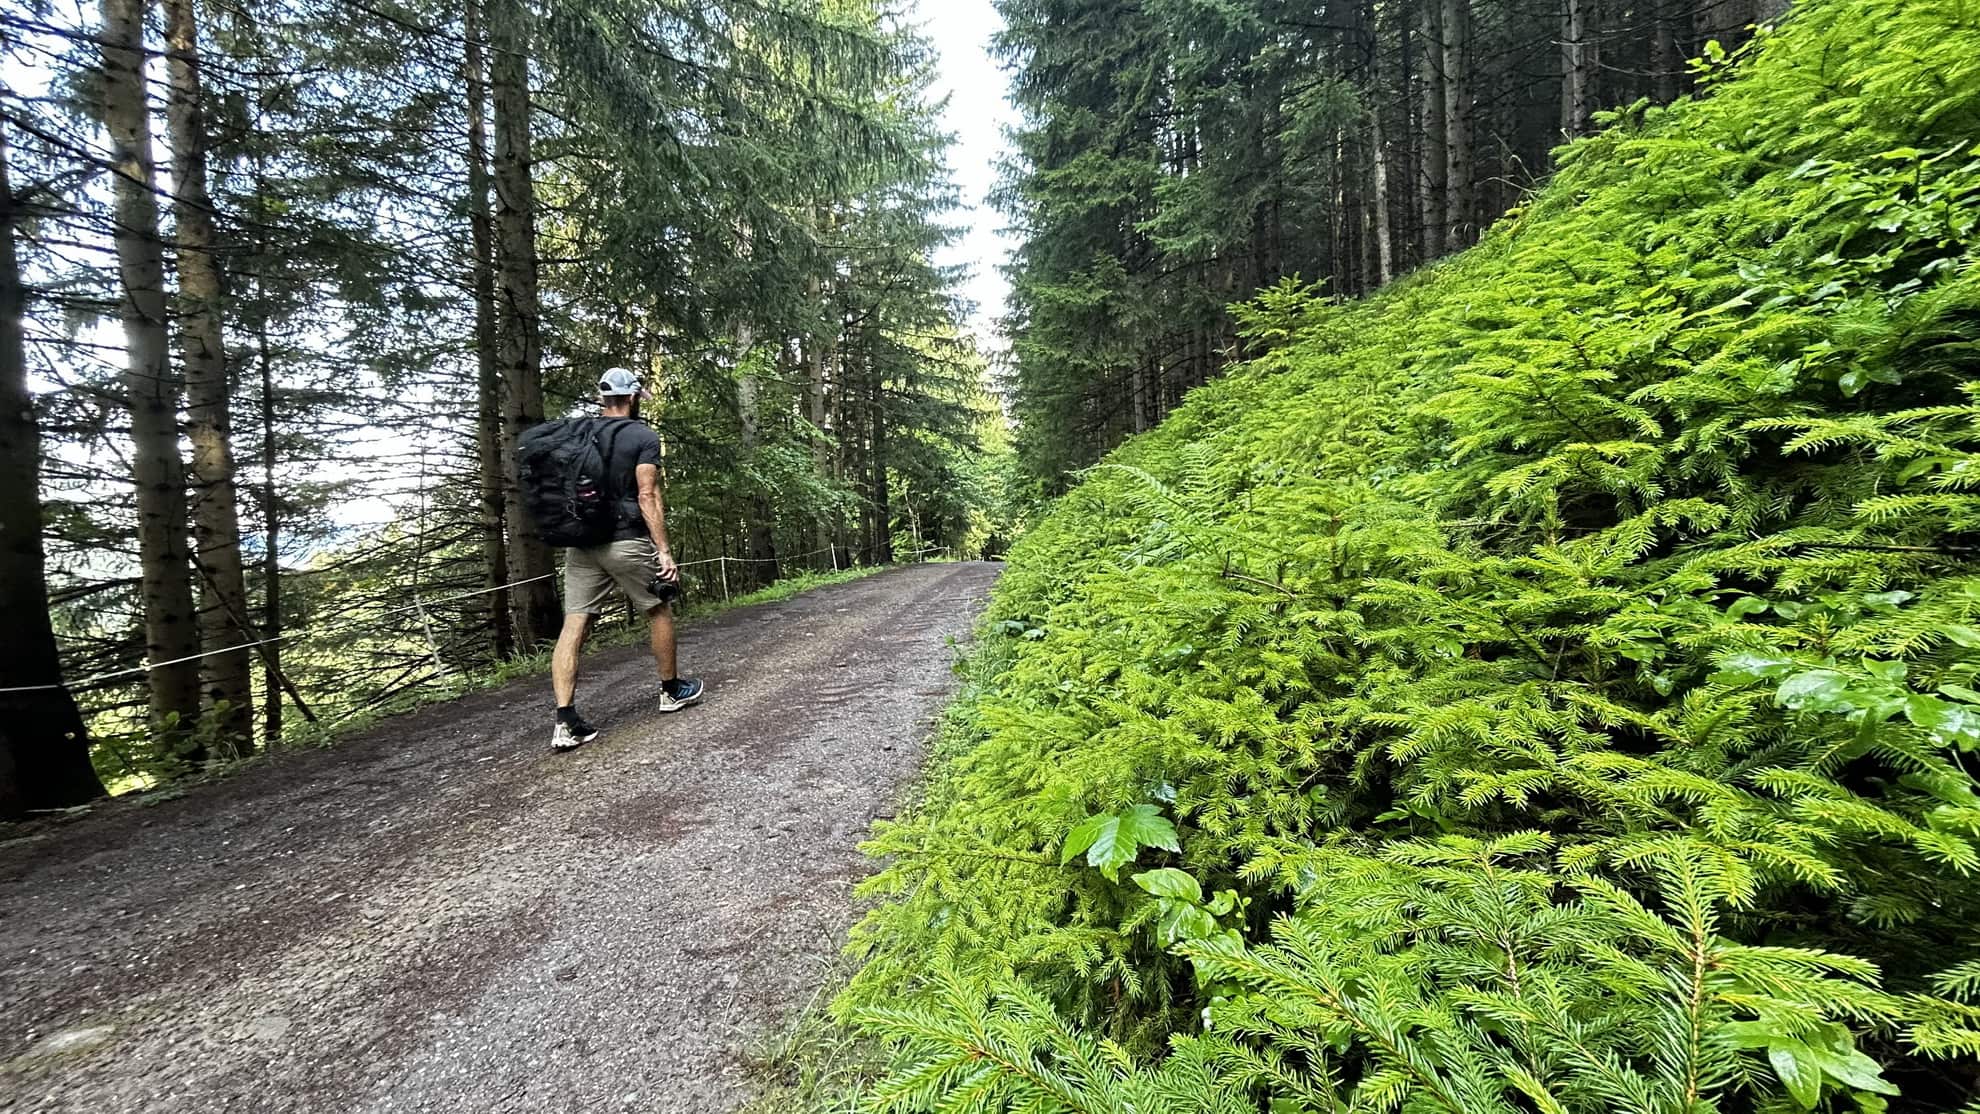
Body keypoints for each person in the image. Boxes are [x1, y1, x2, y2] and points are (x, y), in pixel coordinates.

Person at [549, 367, 703, 750]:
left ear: (604, 399)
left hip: (582, 543)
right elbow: (647, 494)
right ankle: (671, 691)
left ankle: (566, 721)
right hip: (626, 541)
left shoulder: (579, 433)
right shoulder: (642, 436)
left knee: (574, 625)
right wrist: (663, 550)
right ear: (632, 397)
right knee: (658, 607)